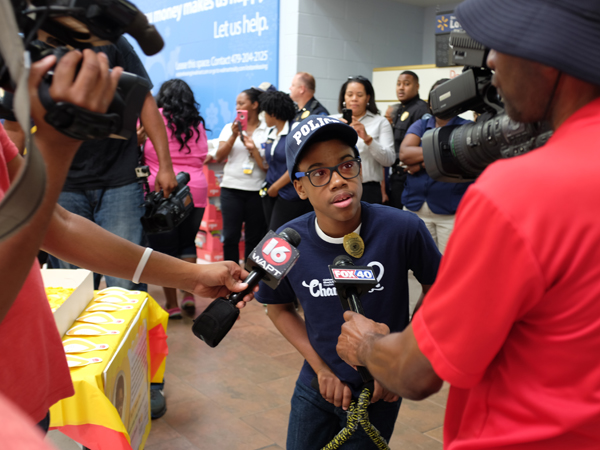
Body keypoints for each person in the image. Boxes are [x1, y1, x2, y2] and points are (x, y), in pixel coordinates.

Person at [336, 1, 600, 449]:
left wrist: (366, 344)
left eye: (501, 44)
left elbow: (416, 374)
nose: (491, 63)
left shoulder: (521, 193)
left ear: (549, 52)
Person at [0, 49, 254, 439]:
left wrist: (191, 275)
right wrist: (56, 144)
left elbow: (56, 224)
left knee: (120, 303)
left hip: (27, 388)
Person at [256, 115, 441, 449]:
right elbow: (276, 308)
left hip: (379, 391)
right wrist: (321, 369)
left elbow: (439, 288)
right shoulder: (283, 242)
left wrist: (397, 357)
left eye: (346, 165)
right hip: (316, 383)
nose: (338, 181)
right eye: (319, 173)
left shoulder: (404, 228)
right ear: (299, 187)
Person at [47, 36, 178, 291]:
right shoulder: (37, 42)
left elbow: (144, 101)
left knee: (126, 278)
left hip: (120, 178)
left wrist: (166, 165)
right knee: (73, 285)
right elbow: (17, 123)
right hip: (61, 181)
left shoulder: (111, 39)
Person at [141, 79, 209, 319]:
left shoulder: (153, 116)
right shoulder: (196, 122)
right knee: (187, 243)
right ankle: (189, 295)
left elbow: (140, 147)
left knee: (164, 249)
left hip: (160, 191)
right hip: (195, 188)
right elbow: (202, 155)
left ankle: (172, 305)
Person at [399, 79, 473, 253]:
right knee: (415, 266)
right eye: (435, 97)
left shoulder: (466, 127)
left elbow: (461, 161)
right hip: (414, 207)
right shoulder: (421, 124)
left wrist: (420, 162)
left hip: (449, 211)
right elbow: (404, 153)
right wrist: (442, 156)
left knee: (448, 265)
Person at [215, 88, 269, 263]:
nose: (237, 107)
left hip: (256, 190)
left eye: (242, 103)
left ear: (254, 105)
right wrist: (233, 136)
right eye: (236, 104)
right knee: (230, 237)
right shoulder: (228, 128)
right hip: (231, 189)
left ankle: (249, 281)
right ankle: (229, 278)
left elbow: (269, 163)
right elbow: (219, 156)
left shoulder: (267, 129)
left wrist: (253, 149)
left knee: (254, 239)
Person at [333, 76, 395, 204]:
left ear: (368, 98)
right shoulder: (332, 121)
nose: (354, 98)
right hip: (337, 186)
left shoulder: (380, 122)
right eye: (349, 94)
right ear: (344, 97)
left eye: (359, 95)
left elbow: (389, 160)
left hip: (369, 189)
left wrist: (368, 139)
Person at [259, 90, 313, 231]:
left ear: (273, 113)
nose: (263, 117)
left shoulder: (295, 130)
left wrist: (276, 186)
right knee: (270, 232)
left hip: (289, 194)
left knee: (277, 236)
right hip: (271, 192)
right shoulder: (272, 132)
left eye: (264, 112)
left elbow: (297, 164)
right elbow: (270, 164)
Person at [389, 71, 430, 210]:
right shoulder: (400, 109)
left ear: (417, 86)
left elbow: (426, 146)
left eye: (406, 84)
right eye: (398, 84)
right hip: (397, 174)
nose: (401, 88)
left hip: (412, 174)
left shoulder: (421, 109)